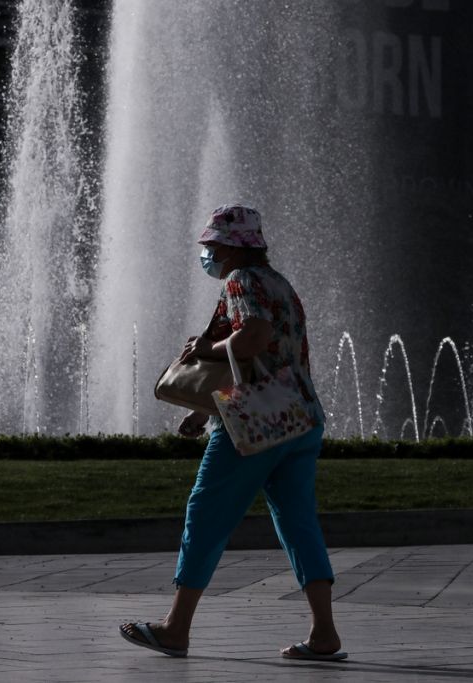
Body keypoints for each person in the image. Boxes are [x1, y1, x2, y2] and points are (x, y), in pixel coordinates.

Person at [119, 204, 346, 661]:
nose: (207, 252)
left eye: (212, 245)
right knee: (299, 525)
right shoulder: (279, 282)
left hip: (254, 425)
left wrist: (207, 345)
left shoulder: (242, 281)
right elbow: (265, 359)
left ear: (233, 245)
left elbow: (253, 340)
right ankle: (324, 634)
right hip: (299, 419)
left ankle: (175, 628)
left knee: (205, 513)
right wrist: (204, 412)